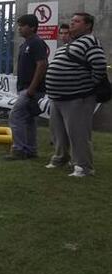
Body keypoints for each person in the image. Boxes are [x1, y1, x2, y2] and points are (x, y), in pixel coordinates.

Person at [45, 12, 108, 177]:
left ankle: (84, 167)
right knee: (58, 132)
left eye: (77, 21)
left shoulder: (90, 41)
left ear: (88, 25)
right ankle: (61, 158)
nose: (72, 24)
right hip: (58, 98)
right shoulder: (69, 45)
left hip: (78, 97)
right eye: (71, 21)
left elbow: (100, 65)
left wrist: (87, 86)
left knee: (78, 133)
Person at [5, 14, 48, 160]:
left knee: (15, 116)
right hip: (26, 88)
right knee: (28, 119)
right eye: (19, 25)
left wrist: (32, 88)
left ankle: (19, 149)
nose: (19, 28)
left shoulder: (36, 42)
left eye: (22, 25)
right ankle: (30, 150)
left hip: (31, 89)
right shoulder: (25, 44)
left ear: (32, 27)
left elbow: (41, 65)